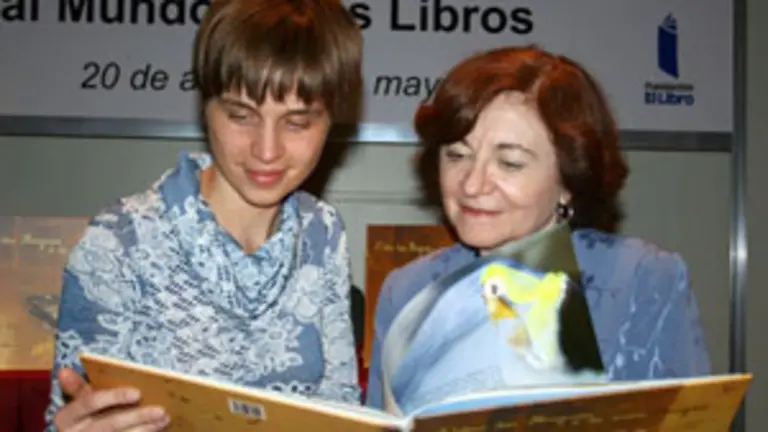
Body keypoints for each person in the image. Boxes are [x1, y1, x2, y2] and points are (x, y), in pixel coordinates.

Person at [45, 0, 364, 430]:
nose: (266, 151)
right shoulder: (121, 243)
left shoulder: (323, 232)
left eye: (297, 122)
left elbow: (340, 407)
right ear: (206, 106)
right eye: (240, 116)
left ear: (330, 121)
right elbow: (69, 416)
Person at [365, 46, 712, 409]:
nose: (472, 184)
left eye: (510, 163)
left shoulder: (642, 280)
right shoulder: (408, 290)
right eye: (457, 155)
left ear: (568, 180)